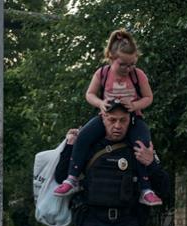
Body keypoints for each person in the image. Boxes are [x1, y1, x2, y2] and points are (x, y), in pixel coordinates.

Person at [54, 100, 170, 226]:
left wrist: (150, 162)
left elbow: (164, 189)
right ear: (103, 118)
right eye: (112, 120)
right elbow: (61, 176)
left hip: (126, 223)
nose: (117, 125)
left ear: (130, 121)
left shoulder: (139, 147)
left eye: (123, 120)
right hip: (92, 221)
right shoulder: (87, 145)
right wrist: (69, 146)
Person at [53, 28, 163, 207]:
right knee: (83, 137)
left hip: (133, 118)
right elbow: (90, 94)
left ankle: (146, 189)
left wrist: (134, 105)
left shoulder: (138, 75)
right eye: (123, 65)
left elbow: (148, 98)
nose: (128, 69)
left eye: (132, 64)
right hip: (106, 115)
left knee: (142, 145)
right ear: (111, 58)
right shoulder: (102, 73)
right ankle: (72, 178)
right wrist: (100, 103)